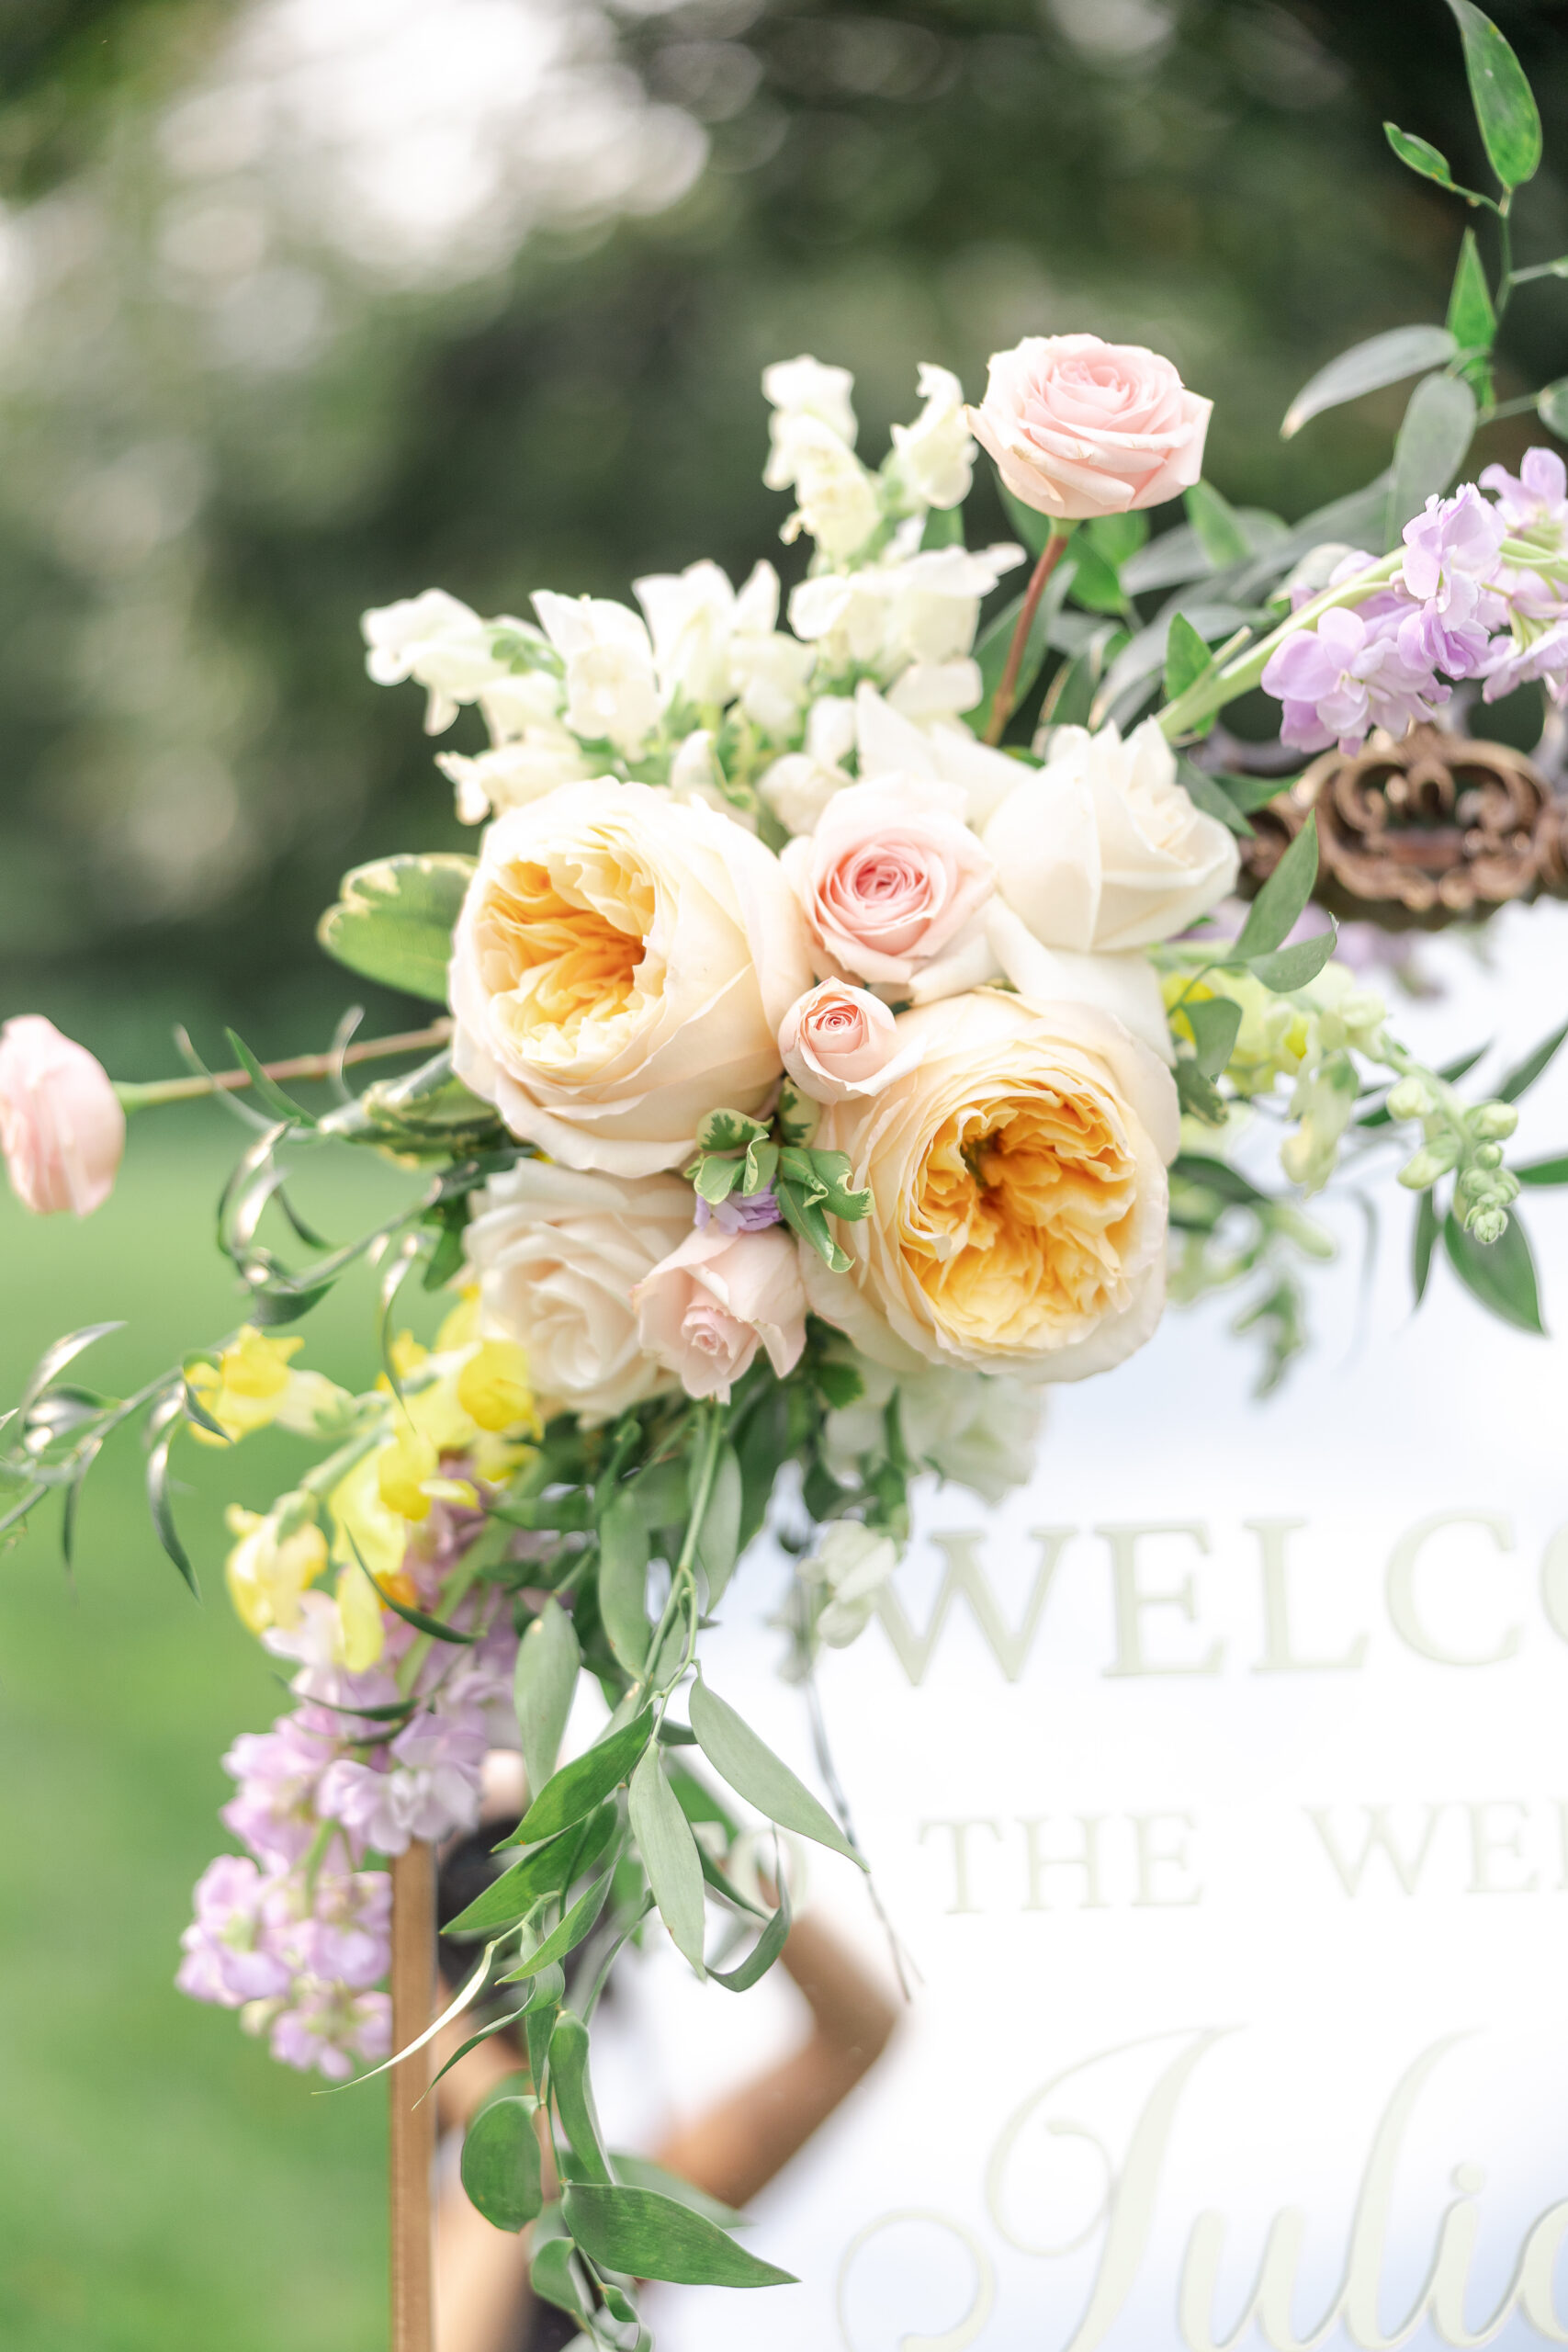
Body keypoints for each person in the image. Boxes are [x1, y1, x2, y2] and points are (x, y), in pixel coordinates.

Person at [433, 1753, 900, 2352]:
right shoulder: (385, 2217)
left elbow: (855, 2036)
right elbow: (523, 2159)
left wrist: (688, 1827)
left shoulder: (590, 2235)